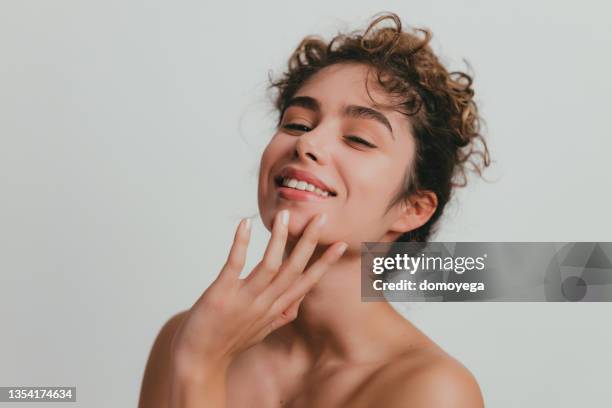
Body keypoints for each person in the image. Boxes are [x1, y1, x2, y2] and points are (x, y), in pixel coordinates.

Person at [139, 12, 490, 408]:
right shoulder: (185, 337)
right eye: (298, 123)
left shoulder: (433, 391)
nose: (308, 144)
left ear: (412, 209)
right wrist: (198, 357)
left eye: (358, 139)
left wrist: (203, 367)